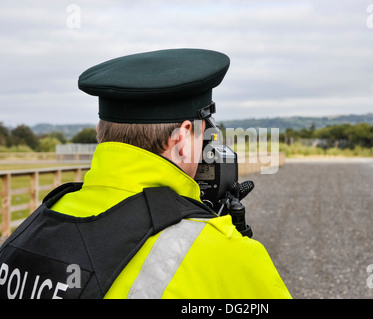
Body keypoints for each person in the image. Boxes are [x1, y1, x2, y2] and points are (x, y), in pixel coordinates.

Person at [0, 48, 291, 299]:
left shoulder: (37, 224)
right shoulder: (227, 252)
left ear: (101, 132)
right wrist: (227, 239)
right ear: (183, 137)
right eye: (205, 135)